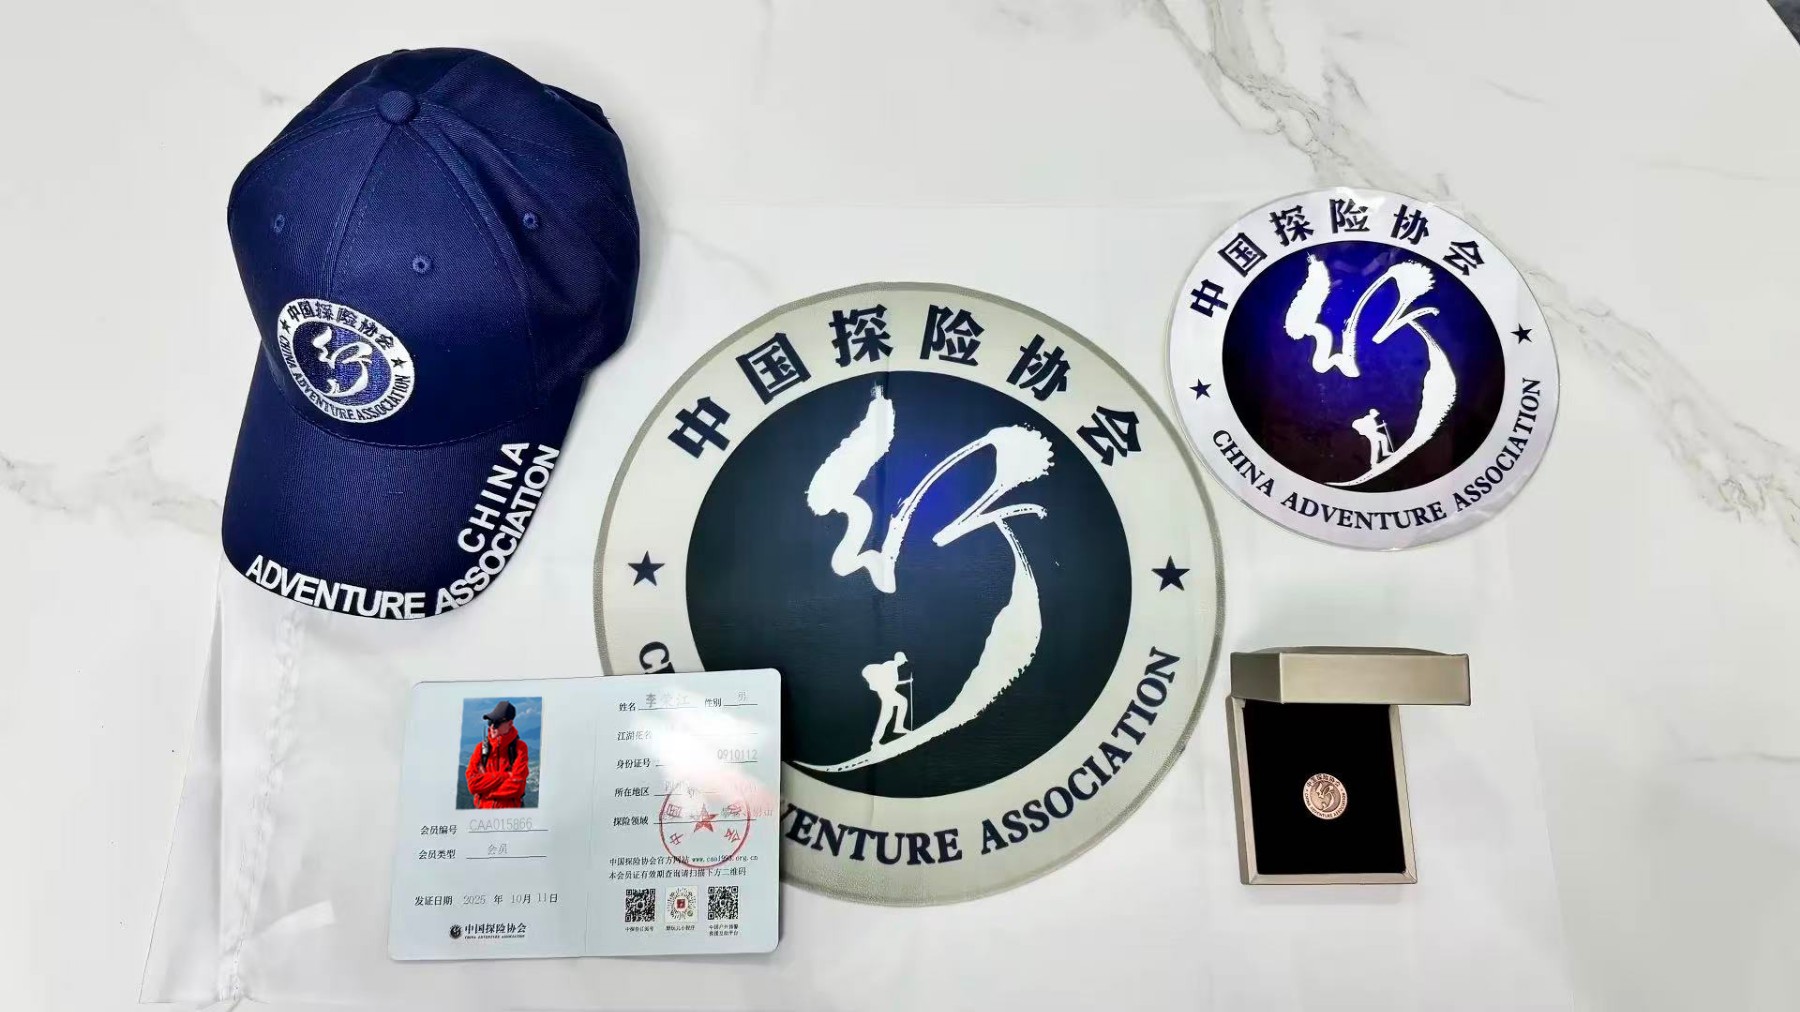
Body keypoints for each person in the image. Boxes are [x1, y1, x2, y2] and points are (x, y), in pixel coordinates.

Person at [465, 701, 530, 809]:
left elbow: (517, 788)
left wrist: (485, 792)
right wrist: (506, 776)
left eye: (497, 722)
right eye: (490, 722)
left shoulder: (520, 748)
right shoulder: (480, 748)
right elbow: (472, 785)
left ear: (510, 724)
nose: (492, 727)